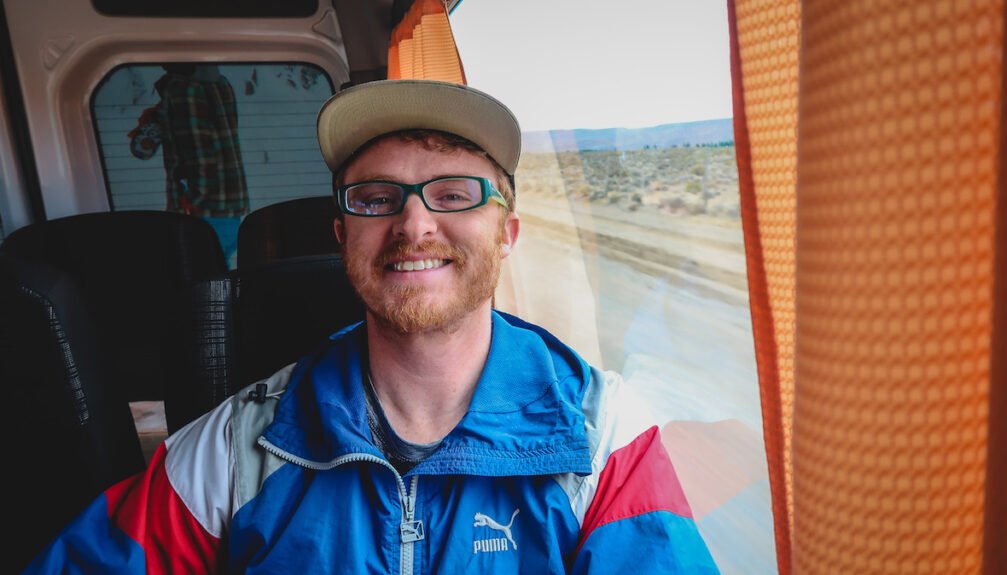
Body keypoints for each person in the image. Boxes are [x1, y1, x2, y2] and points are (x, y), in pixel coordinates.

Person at [27, 80, 718, 573]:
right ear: (342, 236)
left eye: (452, 193)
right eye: (376, 198)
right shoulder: (235, 446)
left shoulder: (604, 436)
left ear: (506, 234)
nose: (414, 224)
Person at [128, 64, 249, 267]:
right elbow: (143, 149)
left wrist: (191, 202)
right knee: (216, 274)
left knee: (202, 278)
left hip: (202, 210)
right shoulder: (221, 84)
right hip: (228, 208)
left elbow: (200, 153)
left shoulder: (184, 90)